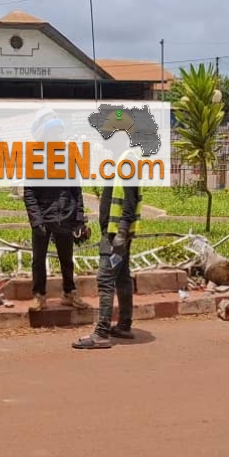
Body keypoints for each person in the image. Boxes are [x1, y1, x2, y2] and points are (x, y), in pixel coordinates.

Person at [72, 148, 142, 350]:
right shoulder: (122, 160)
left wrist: (120, 233)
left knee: (105, 278)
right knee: (122, 277)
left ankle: (101, 333)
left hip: (114, 236)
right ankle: (124, 325)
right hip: (116, 233)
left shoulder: (127, 160)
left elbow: (130, 200)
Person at [23, 108, 91, 311]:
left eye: (58, 132)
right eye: (52, 133)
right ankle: (39, 296)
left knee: (66, 259)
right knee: (38, 260)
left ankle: (69, 293)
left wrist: (79, 217)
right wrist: (36, 221)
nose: (57, 136)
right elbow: (29, 192)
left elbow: (76, 189)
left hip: (65, 216)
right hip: (43, 218)